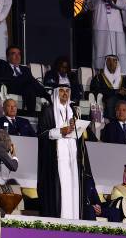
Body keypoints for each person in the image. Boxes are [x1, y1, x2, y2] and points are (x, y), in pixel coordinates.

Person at [37, 85, 91, 219]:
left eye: (67, 91)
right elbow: (42, 135)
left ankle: (74, 220)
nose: (65, 94)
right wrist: (61, 131)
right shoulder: (48, 111)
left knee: (73, 190)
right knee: (60, 191)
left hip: (72, 159)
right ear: (56, 93)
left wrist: (77, 128)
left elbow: (81, 138)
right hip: (56, 160)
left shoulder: (73, 111)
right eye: (61, 91)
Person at [85, 0, 126, 71]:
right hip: (100, 27)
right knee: (101, 52)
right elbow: (89, 7)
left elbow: (125, 5)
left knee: (118, 53)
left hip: (116, 28)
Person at [0, 45, 51, 115]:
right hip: (10, 86)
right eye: (14, 54)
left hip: (24, 88)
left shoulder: (25, 69)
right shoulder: (2, 64)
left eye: (19, 54)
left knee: (30, 87)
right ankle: (48, 96)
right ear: (7, 57)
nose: (17, 56)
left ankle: (31, 113)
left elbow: (31, 81)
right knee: (31, 82)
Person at [90, 54, 126, 120]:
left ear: (117, 64)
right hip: (107, 99)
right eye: (109, 61)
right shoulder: (99, 77)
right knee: (112, 100)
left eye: (114, 61)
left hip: (122, 99)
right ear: (105, 63)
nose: (111, 63)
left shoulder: (122, 78)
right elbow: (95, 91)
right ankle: (113, 121)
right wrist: (116, 92)